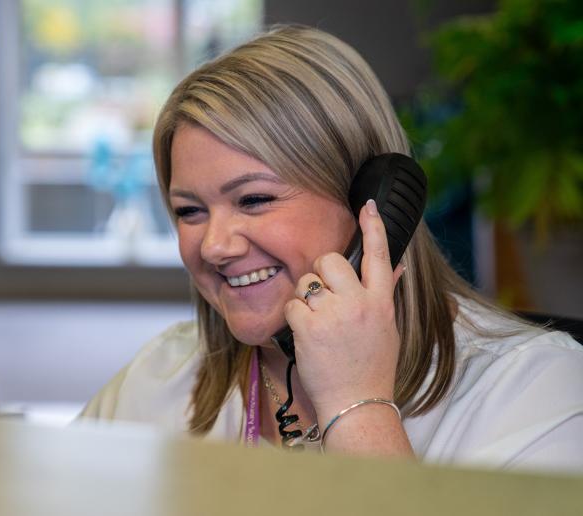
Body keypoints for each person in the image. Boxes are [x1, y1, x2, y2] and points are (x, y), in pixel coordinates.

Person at [79, 25, 583, 473]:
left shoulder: (534, 388)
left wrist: (357, 403)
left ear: (375, 204)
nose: (213, 245)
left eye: (253, 199)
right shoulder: (161, 374)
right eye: (190, 211)